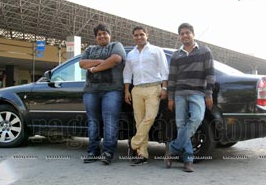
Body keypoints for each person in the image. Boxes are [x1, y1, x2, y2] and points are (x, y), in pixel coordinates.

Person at [165, 23, 215, 172]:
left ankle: (172, 148)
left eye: (187, 33)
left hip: (198, 93)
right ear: (179, 36)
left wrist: (209, 94)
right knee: (181, 125)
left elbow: (210, 74)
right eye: (182, 33)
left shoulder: (204, 51)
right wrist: (170, 98)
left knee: (197, 119)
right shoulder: (176, 55)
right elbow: (172, 78)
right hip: (179, 94)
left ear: (193, 34)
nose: (185, 35)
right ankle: (188, 159)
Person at [79, 23, 126, 165]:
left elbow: (116, 59)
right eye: (99, 34)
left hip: (112, 90)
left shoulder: (116, 46)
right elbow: (82, 63)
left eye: (104, 33)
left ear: (109, 35)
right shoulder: (90, 49)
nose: (102, 36)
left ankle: (108, 152)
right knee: (93, 122)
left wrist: (94, 69)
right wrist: (102, 61)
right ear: (96, 37)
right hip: (91, 90)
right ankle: (93, 151)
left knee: (110, 121)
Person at [123, 26, 169, 166]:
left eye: (141, 34)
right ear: (133, 37)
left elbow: (164, 70)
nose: (139, 37)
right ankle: (142, 155)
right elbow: (127, 74)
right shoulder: (131, 54)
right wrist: (126, 91)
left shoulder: (156, 50)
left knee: (149, 117)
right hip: (136, 90)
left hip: (153, 88)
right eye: (136, 35)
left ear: (147, 35)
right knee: (139, 121)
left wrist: (164, 87)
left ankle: (134, 143)